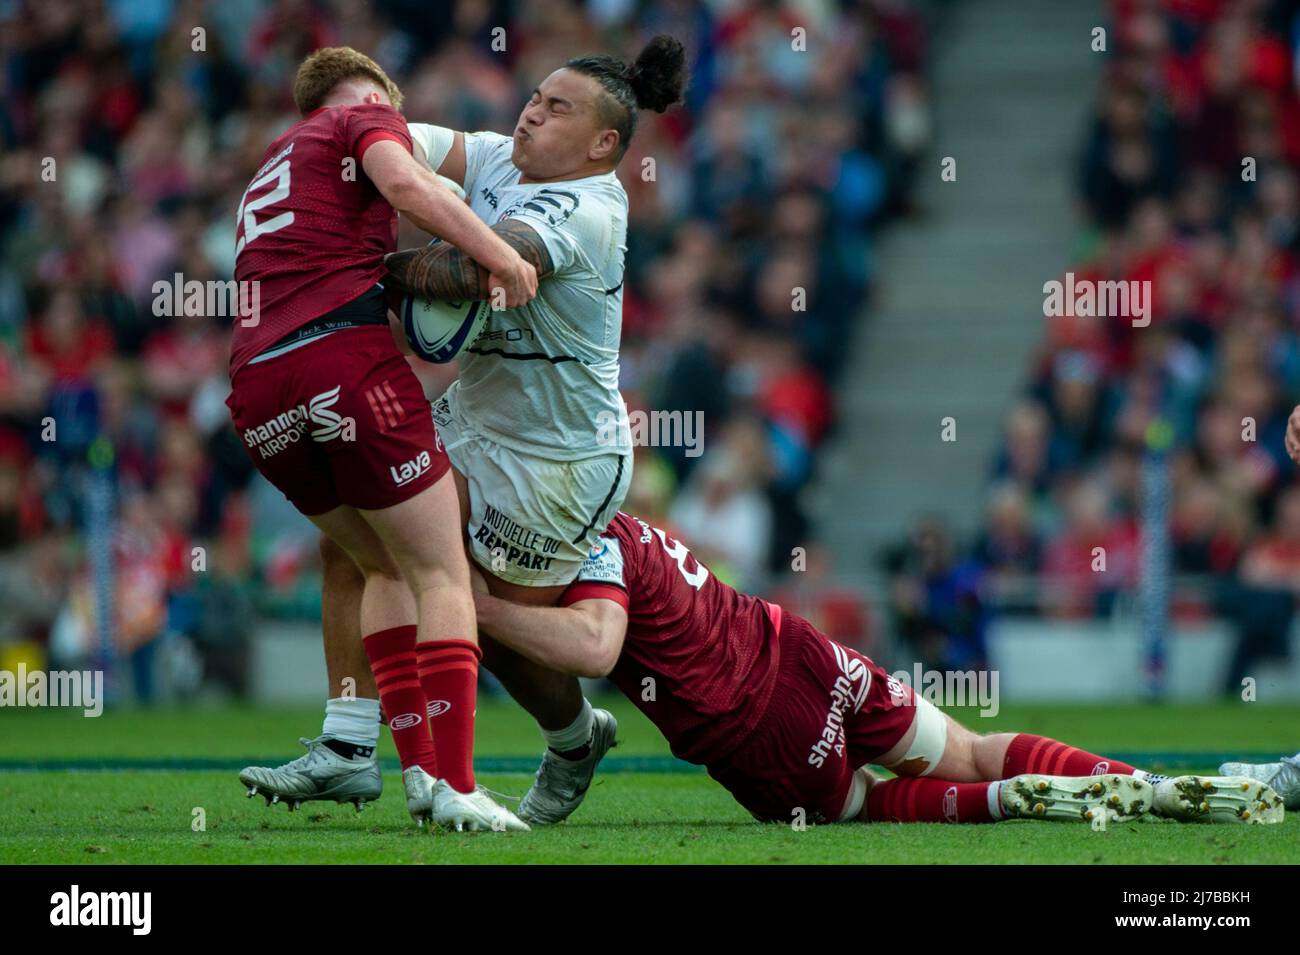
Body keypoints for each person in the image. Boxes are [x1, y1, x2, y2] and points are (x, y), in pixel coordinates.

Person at [239, 37, 688, 827]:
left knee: (475, 607)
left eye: (558, 109)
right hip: (474, 416)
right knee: (363, 544)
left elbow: (473, 272)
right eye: (536, 96)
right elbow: (390, 139)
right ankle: (351, 744)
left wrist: (346, 273)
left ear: (603, 144)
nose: (533, 112)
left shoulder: (588, 208)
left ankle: (573, 734)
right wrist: (347, 156)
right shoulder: (495, 157)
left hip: (558, 457)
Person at [472, 512, 1285, 826]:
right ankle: (1147, 783)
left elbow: (593, 646)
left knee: (868, 801)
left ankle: (1006, 804)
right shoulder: (622, 510)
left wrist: (473, 605)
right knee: (968, 743)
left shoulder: (577, 536)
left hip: (760, 729)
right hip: (800, 646)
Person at [226, 47, 536, 831]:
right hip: (341, 361)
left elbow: (316, 264)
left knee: (375, 563)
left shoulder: (277, 158)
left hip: (259, 394)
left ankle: (399, 765)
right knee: (440, 572)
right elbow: (402, 182)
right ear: (375, 96)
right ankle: (460, 782)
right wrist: (498, 256)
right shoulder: (366, 115)